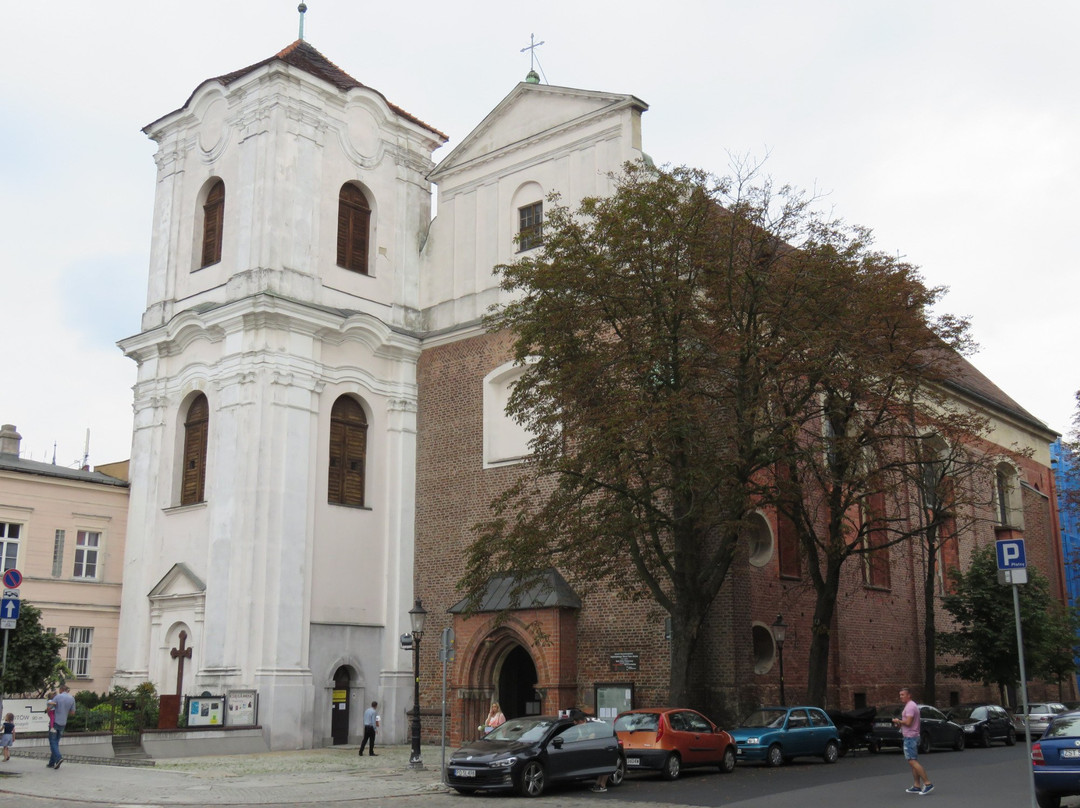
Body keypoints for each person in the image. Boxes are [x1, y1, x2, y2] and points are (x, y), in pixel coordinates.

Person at [893, 687, 933, 795]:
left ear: (909, 695)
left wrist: (898, 721)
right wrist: (899, 723)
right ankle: (916, 785)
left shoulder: (910, 706)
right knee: (913, 761)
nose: (900, 696)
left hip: (910, 737)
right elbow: (907, 722)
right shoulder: (910, 706)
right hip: (911, 736)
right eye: (900, 694)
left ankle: (928, 783)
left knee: (912, 761)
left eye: (902, 694)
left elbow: (909, 722)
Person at [569, 709, 612, 794]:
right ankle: (598, 784)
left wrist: (582, 739)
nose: (577, 726)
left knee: (605, 764)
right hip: (602, 740)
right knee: (601, 764)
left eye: (577, 723)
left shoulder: (591, 725)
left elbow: (592, 736)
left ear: (581, 721)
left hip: (607, 739)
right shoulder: (585, 722)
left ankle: (602, 785)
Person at [47, 684, 76, 770]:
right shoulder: (72, 698)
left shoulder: (57, 697)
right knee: (56, 742)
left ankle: (59, 758)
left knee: (52, 742)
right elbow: (72, 712)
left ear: (61, 690)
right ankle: (52, 763)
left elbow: (49, 708)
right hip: (63, 723)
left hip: (55, 722)